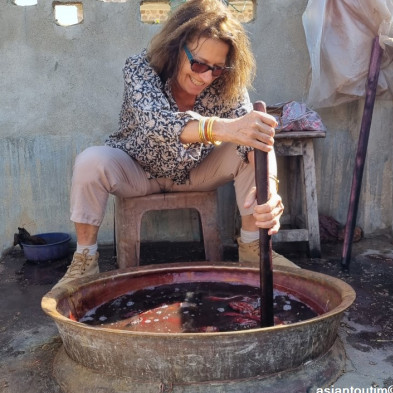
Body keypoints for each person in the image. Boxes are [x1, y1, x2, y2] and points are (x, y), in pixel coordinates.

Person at [53, 0, 298, 290]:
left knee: (249, 147)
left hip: (196, 171)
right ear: (176, 46)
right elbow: (157, 124)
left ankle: (253, 249)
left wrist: (270, 189)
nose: (205, 77)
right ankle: (84, 261)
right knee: (89, 162)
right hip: (139, 170)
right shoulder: (140, 68)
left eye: (216, 69)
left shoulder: (228, 82)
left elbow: (253, 136)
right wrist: (222, 128)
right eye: (198, 64)